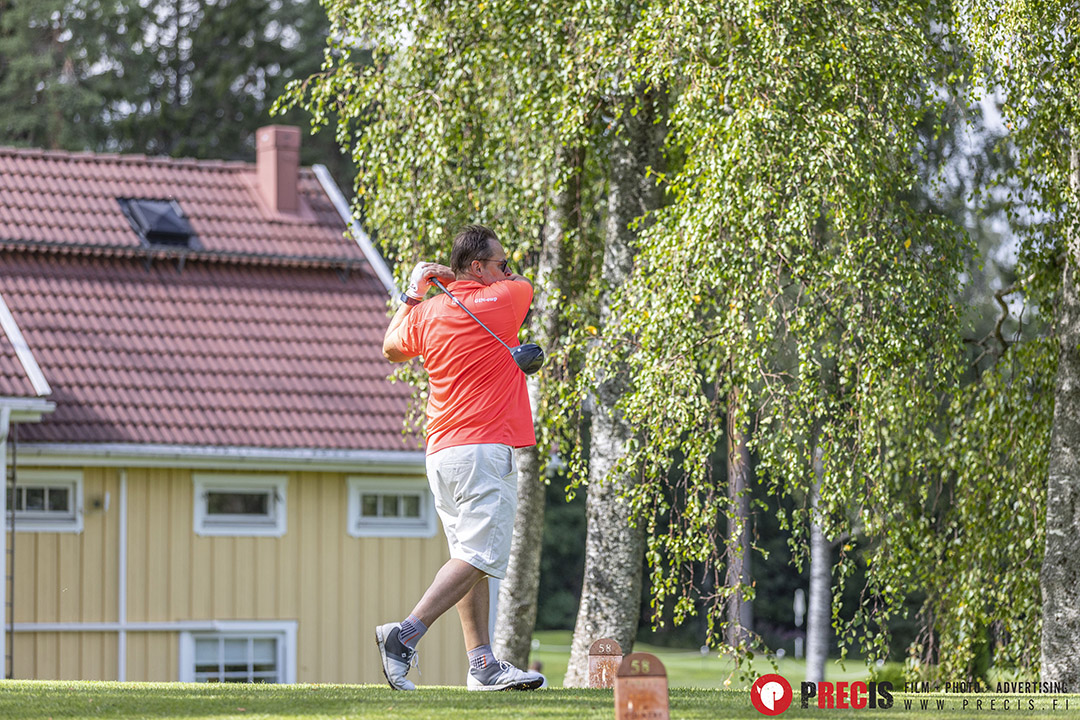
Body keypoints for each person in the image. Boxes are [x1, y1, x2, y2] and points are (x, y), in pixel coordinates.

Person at [376, 224, 546, 692]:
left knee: (468, 558)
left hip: (442, 453)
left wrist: (415, 292)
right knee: (478, 556)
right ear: (477, 266)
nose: (508, 271)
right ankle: (404, 635)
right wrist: (460, 282)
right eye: (500, 263)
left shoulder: (427, 311)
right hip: (483, 450)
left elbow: (391, 348)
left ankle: (482, 665)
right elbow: (524, 285)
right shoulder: (507, 297)